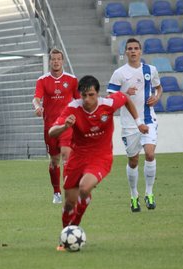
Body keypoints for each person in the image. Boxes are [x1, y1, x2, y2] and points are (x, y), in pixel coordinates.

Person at [49, 75, 146, 251]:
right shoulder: (73, 108)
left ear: (97, 93)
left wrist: (138, 122)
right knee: (69, 202)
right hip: (77, 157)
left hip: (100, 156)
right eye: (84, 95)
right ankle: (65, 235)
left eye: (91, 95)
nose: (87, 99)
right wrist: (65, 127)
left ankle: (75, 227)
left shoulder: (107, 104)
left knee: (85, 188)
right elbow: (52, 132)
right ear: (79, 95)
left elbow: (125, 98)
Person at [107, 38, 163, 212]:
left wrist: (157, 97)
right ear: (125, 52)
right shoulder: (119, 73)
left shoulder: (150, 70)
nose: (133, 51)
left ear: (141, 51)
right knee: (133, 161)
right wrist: (124, 93)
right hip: (129, 124)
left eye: (136, 48)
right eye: (129, 49)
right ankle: (133, 195)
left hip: (148, 119)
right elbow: (110, 97)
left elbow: (159, 88)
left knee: (150, 153)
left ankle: (149, 193)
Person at [33, 48, 80, 204]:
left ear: (62, 61)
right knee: (54, 161)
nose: (56, 61)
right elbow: (36, 98)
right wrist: (37, 107)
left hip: (67, 126)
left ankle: (70, 190)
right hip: (50, 128)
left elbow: (79, 100)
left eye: (58, 59)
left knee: (67, 156)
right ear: (50, 61)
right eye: (53, 59)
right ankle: (56, 192)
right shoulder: (42, 80)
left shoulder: (72, 80)